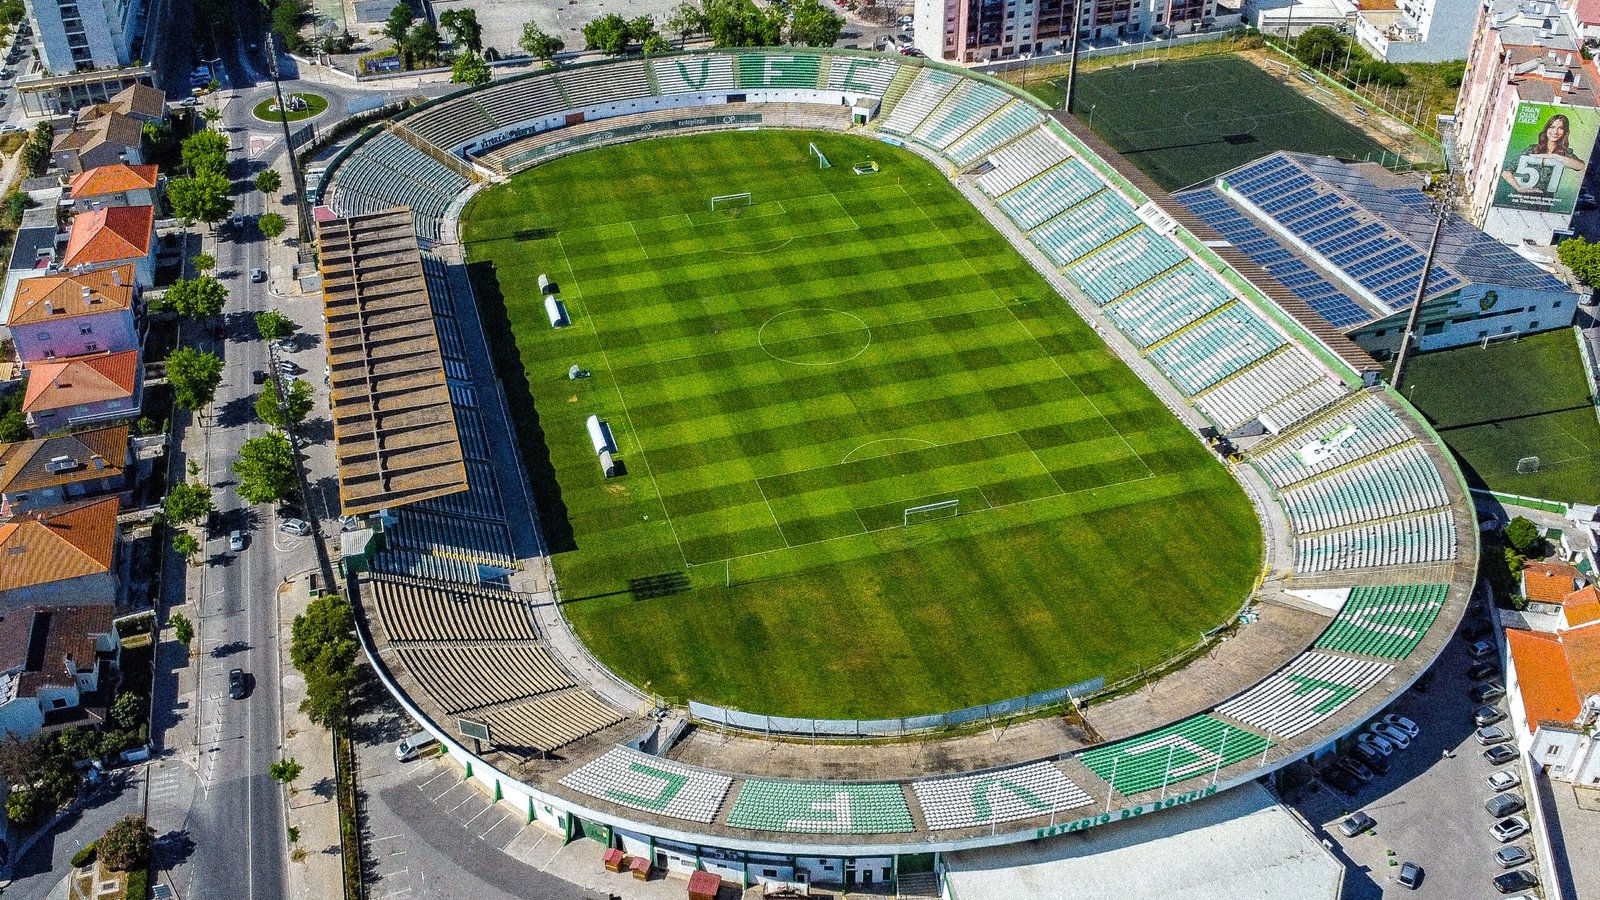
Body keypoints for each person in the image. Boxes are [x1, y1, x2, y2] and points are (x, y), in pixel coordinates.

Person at [1501, 113, 1587, 200]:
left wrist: (1556, 157)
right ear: (1546, 129)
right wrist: (1518, 188)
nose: (1555, 132)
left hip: (1543, 201)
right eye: (1552, 127)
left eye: (1560, 128)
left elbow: (1581, 166)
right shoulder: (1532, 149)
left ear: (1565, 132)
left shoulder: (1565, 153)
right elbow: (1506, 172)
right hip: (1520, 198)